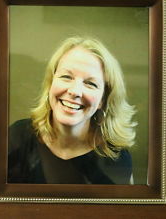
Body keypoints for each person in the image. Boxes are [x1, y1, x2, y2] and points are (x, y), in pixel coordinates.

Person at [8, 36, 137, 184]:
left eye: (90, 84)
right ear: (51, 84)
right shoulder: (16, 137)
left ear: (103, 99)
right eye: (66, 76)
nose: (75, 91)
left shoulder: (117, 159)